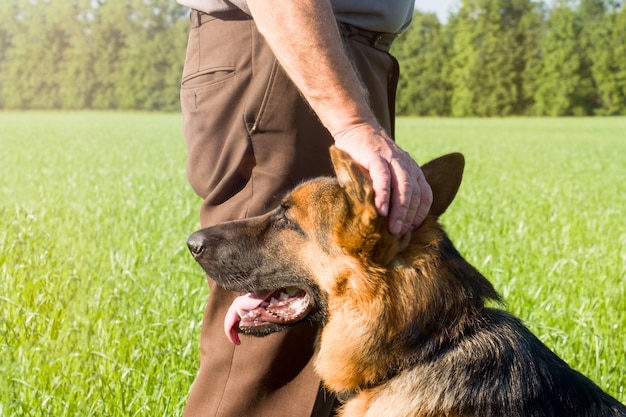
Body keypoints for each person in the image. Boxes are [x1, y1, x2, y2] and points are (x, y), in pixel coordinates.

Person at [177, 1, 433, 416]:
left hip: (337, 57)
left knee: (338, 318)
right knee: (267, 355)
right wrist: (352, 122)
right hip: (288, 47)